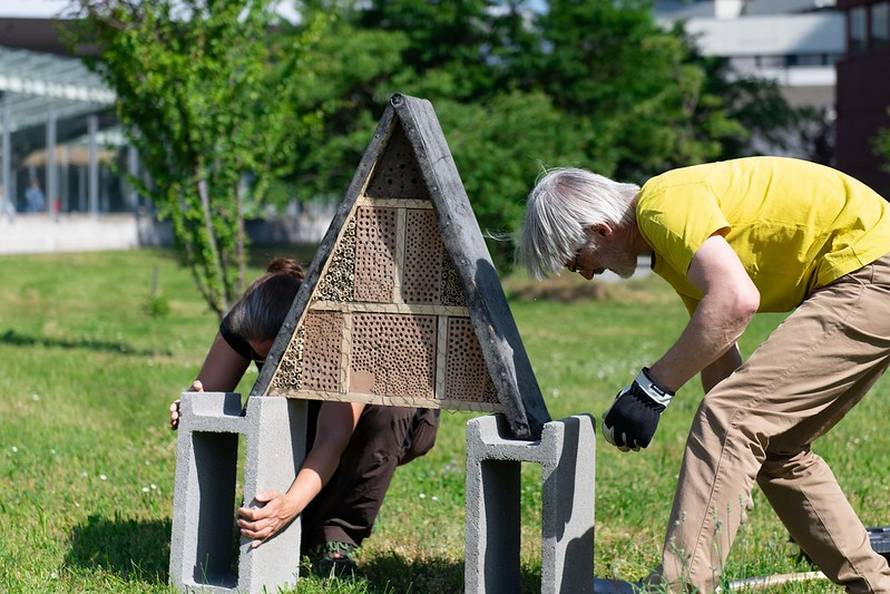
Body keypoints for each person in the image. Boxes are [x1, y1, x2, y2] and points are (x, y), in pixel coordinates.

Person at [519, 156, 890, 593]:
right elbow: (719, 353)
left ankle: (678, 588)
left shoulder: (662, 206)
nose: (585, 274)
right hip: (867, 271)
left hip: (870, 269)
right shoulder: (668, 249)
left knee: (731, 416)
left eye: (575, 259)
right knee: (774, 444)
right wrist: (728, 454)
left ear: (601, 230)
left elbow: (735, 301)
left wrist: (650, 391)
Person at [169, 258, 439, 575]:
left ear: (303, 331)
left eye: (275, 355)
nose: (264, 362)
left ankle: (336, 535)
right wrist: (189, 406)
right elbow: (207, 395)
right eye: (258, 356)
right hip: (318, 398)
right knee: (280, 399)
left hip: (402, 412)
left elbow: (332, 437)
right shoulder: (247, 321)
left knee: (387, 410)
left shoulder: (349, 331)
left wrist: (289, 507)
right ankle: (305, 518)